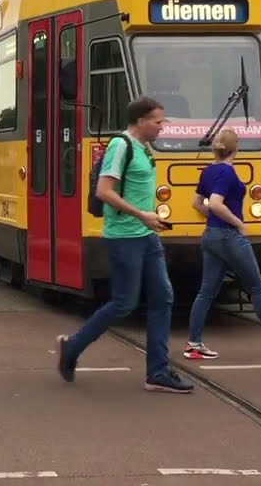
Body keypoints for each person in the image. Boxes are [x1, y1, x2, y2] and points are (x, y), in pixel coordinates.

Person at [55, 97, 193, 394]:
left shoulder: (144, 148)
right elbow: (104, 191)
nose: (161, 127)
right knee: (124, 303)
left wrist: (149, 219)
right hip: (124, 237)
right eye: (157, 121)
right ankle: (72, 346)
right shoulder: (121, 146)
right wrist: (141, 215)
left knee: (163, 297)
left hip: (146, 236)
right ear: (141, 121)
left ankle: (157, 372)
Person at [184, 129, 261, 359]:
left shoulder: (208, 171)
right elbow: (216, 203)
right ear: (236, 148)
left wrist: (214, 218)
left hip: (210, 235)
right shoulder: (227, 173)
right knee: (257, 289)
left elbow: (197, 203)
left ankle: (194, 343)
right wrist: (237, 222)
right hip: (229, 236)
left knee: (206, 291)